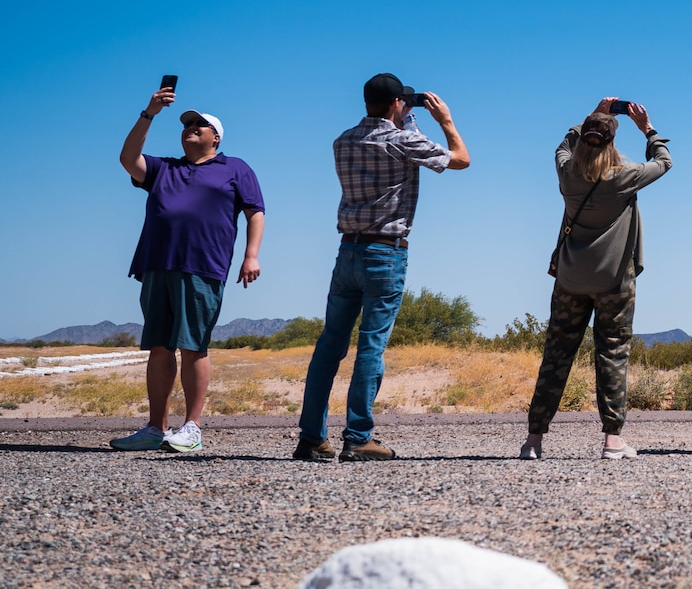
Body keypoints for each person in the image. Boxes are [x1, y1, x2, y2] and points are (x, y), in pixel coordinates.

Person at [295, 73, 470, 463]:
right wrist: (445, 121)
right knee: (370, 346)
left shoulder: (343, 141)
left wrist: (405, 119)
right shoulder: (402, 140)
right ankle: (358, 436)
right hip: (385, 252)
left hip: (347, 252)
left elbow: (387, 137)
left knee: (329, 347)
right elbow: (460, 159)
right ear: (396, 103)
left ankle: (311, 437)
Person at [110, 84, 266, 453]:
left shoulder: (234, 168)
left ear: (216, 137)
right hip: (157, 264)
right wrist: (149, 112)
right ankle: (154, 428)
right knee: (160, 348)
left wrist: (251, 255)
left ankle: (192, 427)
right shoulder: (165, 169)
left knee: (194, 346)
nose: (190, 127)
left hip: (203, 267)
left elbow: (255, 211)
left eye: (199, 124)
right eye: (187, 124)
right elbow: (127, 158)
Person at [521, 100, 672, 461]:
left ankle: (534, 440)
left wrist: (592, 115)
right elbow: (664, 161)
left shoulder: (568, 173)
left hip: (571, 279)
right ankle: (612, 440)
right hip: (614, 281)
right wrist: (647, 128)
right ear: (611, 142)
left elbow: (563, 146)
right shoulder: (624, 176)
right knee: (612, 355)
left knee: (556, 357)